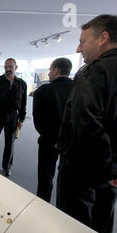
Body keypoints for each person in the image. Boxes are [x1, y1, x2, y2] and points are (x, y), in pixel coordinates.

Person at [56, 14, 117, 233]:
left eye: (83, 41)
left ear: (103, 38)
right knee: (102, 227)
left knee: (75, 231)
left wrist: (111, 169)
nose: (78, 49)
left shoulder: (93, 72)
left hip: (85, 170)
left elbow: (87, 126)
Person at [33, 58, 74, 202]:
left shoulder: (44, 91)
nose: (49, 73)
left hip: (48, 142)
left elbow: (38, 121)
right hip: (71, 144)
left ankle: (43, 205)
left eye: (50, 70)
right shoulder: (79, 89)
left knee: (45, 177)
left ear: (56, 70)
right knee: (68, 181)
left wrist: (53, 139)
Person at [0, 58, 27, 177]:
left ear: (15, 67)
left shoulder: (22, 84)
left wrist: (21, 119)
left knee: (9, 144)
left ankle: (7, 167)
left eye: (10, 67)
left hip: (12, 117)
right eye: (6, 67)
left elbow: (23, 104)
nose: (8, 69)